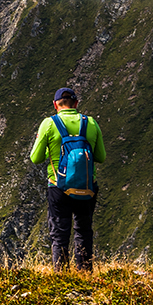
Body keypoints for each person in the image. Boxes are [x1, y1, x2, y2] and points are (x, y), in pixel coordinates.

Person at [29, 86, 107, 271]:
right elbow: (101, 157)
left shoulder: (49, 124)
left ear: (56, 105)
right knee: (84, 230)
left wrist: (50, 150)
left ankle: (61, 276)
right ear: (76, 104)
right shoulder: (91, 123)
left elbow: (35, 158)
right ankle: (85, 273)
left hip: (58, 186)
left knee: (60, 234)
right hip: (87, 186)